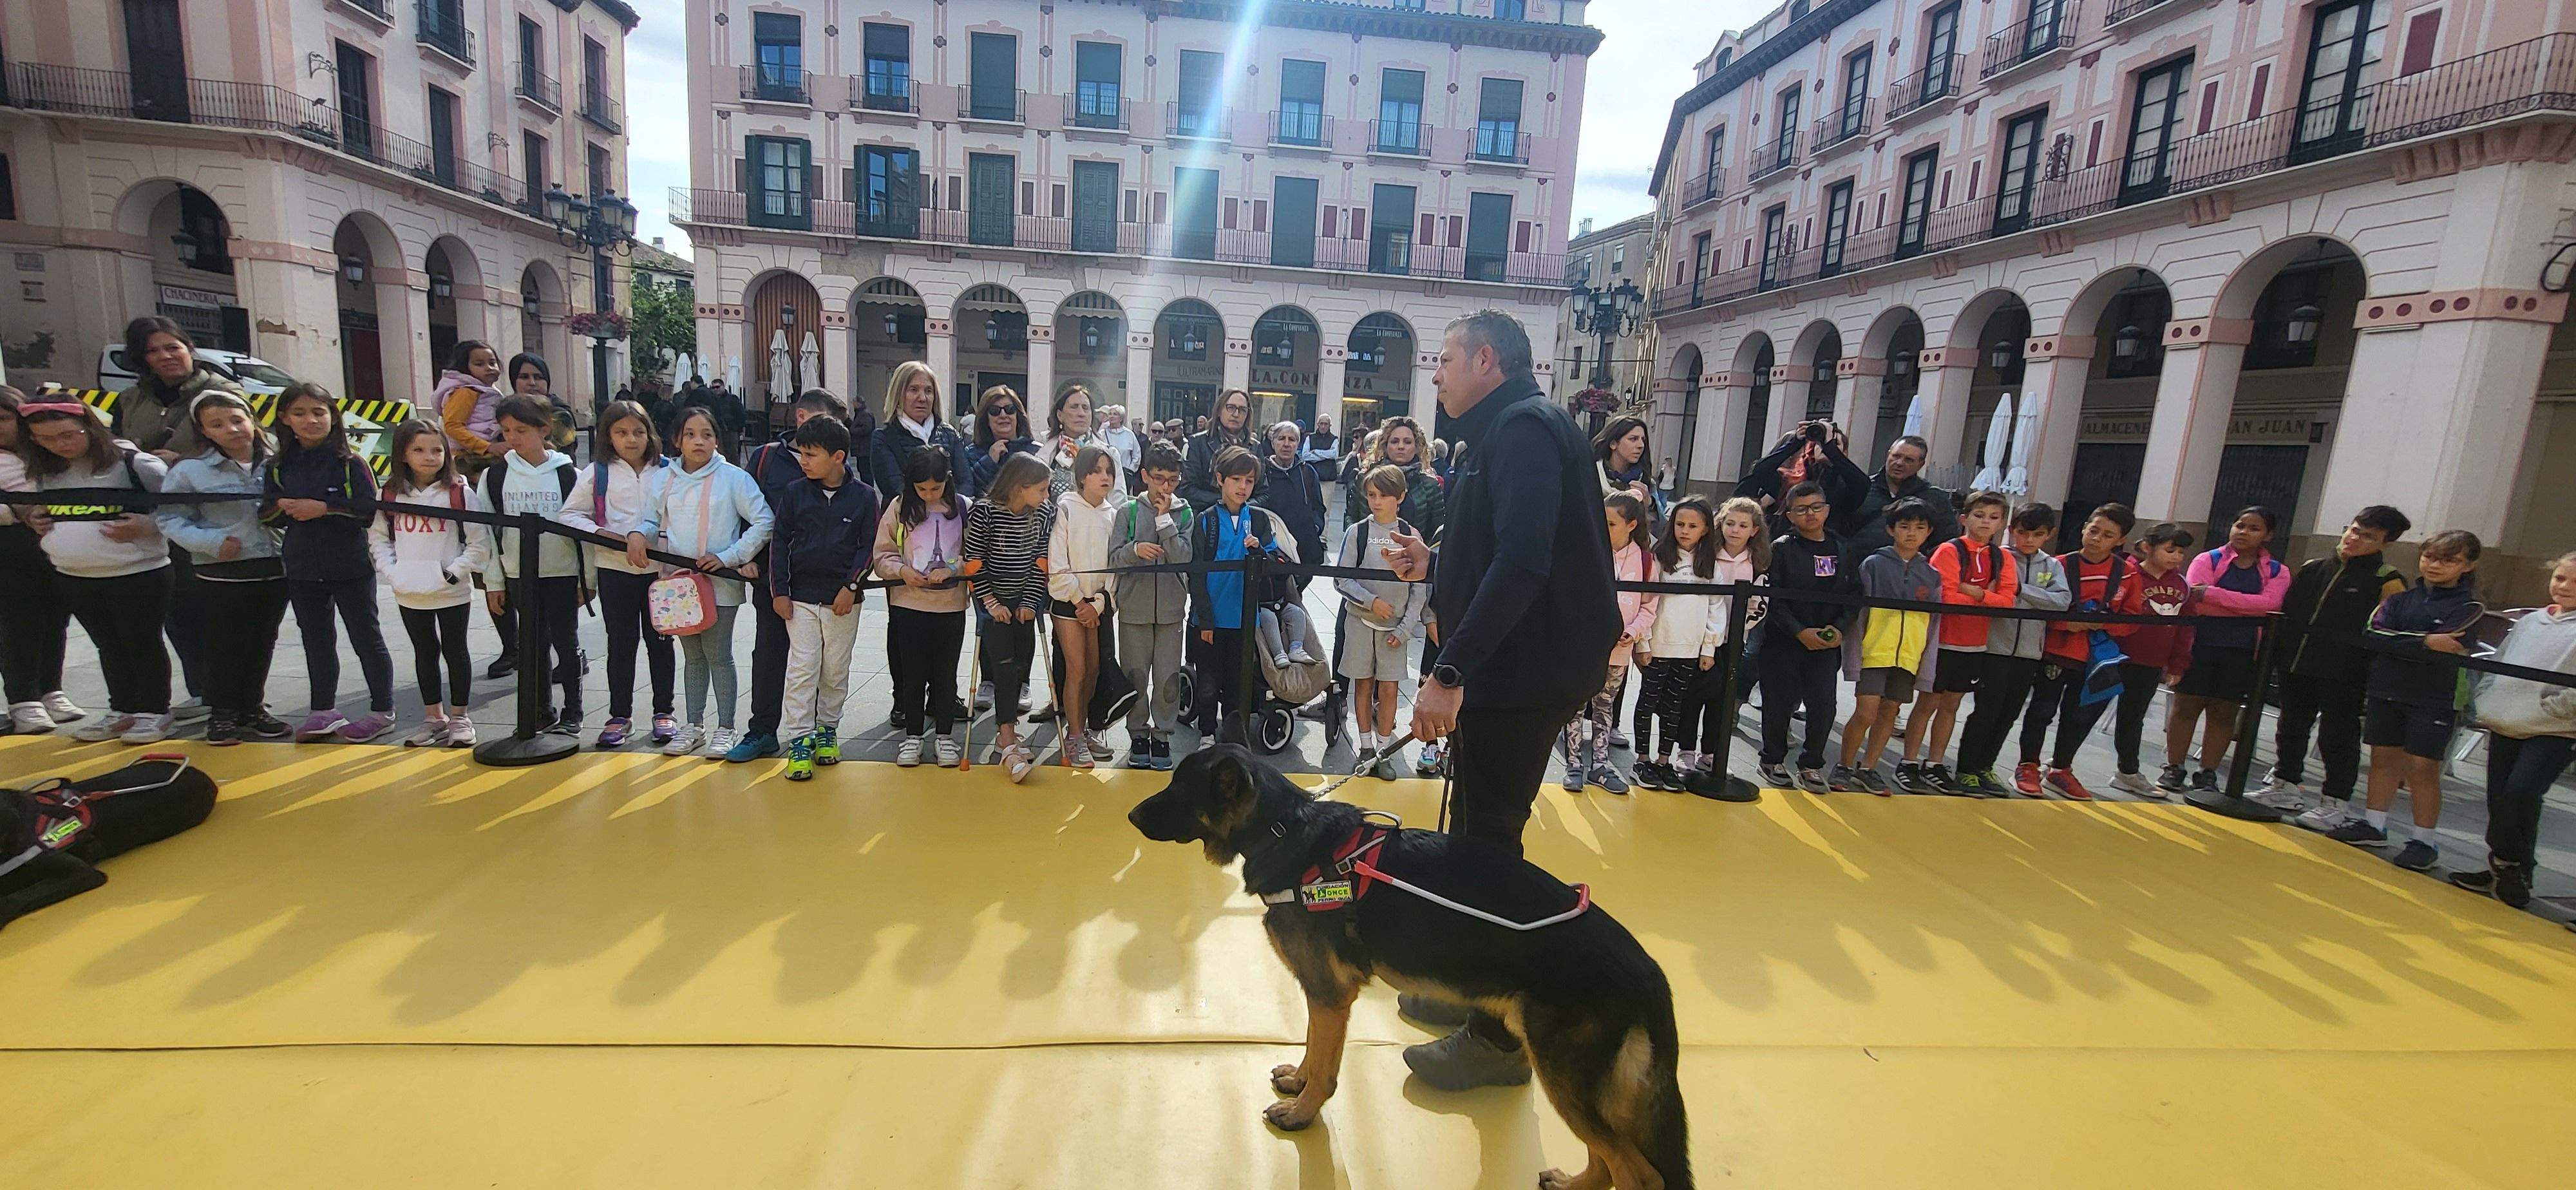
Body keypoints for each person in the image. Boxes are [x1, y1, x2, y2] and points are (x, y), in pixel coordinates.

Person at [1382, 309, 1617, 1093]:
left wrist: (1449, 673)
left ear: (1487, 359)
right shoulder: (1511, 429)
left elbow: (1523, 565)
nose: (1436, 373)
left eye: (1445, 359)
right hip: (1518, 665)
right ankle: (1468, 988)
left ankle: (1498, 1040)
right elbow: (1506, 546)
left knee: (1488, 847)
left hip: (1525, 671)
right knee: (1472, 836)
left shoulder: (1521, 429)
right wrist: (1436, 561)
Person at [2312, 530, 2482, 870]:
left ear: (2468, 566)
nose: (2435, 565)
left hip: (2434, 696)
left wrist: (2404, 642)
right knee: (2382, 758)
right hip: (2387, 688)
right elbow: (2373, 635)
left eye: (2449, 560)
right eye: (2430, 557)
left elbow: (2450, 644)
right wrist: (2424, 642)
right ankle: (2374, 825)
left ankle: (2424, 841)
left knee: (2422, 767)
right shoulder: (2400, 599)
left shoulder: (2470, 607)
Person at [113, 316, 244, 723]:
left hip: (209, 518)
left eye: (173, 347)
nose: (166, 356)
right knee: (176, 612)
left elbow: (248, 445)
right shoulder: (131, 399)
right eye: (153, 351)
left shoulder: (221, 392)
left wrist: (182, 460)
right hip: (150, 514)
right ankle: (201, 689)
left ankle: (231, 695)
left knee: (214, 612)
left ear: (189, 348)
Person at [21, 399, 175, 743]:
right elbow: (43, 507)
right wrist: (35, 517)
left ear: (90, 427)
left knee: (142, 643)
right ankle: (122, 708)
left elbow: (181, 509)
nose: (60, 444)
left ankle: (155, 711)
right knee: (108, 645)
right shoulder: (46, 469)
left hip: (138, 572)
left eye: (68, 434)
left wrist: (149, 525)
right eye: (46, 439)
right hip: (74, 574)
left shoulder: (135, 464)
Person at [2251, 505, 2410, 814]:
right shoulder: (2313, 569)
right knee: (2291, 726)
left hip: (2345, 674)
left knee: (2337, 736)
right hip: (2297, 665)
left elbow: (2387, 631)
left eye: (2368, 536)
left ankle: (2336, 801)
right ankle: (2285, 785)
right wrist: (2276, 657)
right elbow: (2288, 615)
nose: (2354, 539)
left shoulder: (2388, 581)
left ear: (2387, 543)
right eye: (2353, 530)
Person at [264, 384, 398, 743]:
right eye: (300, 413)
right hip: (302, 567)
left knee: (366, 637)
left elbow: (368, 512)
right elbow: (265, 513)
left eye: (319, 412)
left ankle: (382, 710)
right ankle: (323, 710)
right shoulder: (278, 466)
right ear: (285, 419)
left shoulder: (350, 463)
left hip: (349, 565)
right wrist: (283, 508)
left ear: (332, 417)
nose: (311, 420)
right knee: (316, 640)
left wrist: (323, 509)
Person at [159, 391, 291, 746]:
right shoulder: (190, 471)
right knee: (223, 645)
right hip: (222, 572)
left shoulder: (281, 461)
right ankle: (222, 712)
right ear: (203, 431)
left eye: (237, 420)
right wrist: (212, 542)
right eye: (217, 424)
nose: (231, 429)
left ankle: (252, 708)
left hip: (276, 569)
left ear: (251, 420)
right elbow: (170, 519)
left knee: (262, 642)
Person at [645, 405, 774, 759]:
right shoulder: (665, 479)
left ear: (718, 439)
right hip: (678, 585)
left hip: (720, 583)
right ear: (677, 440)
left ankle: (727, 728)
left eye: (707, 434)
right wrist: (638, 536)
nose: (698, 441)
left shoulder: (734, 478)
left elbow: (764, 521)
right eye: (690, 434)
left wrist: (729, 557)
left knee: (718, 654)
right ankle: (694, 725)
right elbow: (650, 520)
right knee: (693, 656)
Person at [2448, 551, 2576, 908]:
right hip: (2507, 721)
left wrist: (2552, 708)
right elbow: (2500, 662)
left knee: (2521, 792)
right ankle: (2509, 868)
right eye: (2560, 578)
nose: (2565, 587)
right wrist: (2489, 699)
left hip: (2555, 729)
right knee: (2501, 797)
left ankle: (2509, 866)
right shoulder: (2530, 621)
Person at [730, 389, 852, 762]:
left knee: (820, 662)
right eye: (822, 422)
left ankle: (816, 732)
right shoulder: (767, 457)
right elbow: (744, 509)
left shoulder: (840, 471)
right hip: (775, 576)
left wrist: (850, 582)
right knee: (770, 652)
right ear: (801, 417)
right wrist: (745, 556)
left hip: (824, 584)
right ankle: (762, 731)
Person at [370, 419, 495, 749]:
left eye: (437, 450)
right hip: (409, 592)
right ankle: (434, 718)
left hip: (452, 591)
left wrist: (454, 572)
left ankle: (460, 718)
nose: (429, 457)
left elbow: (479, 541)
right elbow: (379, 537)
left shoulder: (459, 493)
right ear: (403, 454)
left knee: (456, 651)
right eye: (419, 450)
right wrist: (393, 573)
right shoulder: (390, 493)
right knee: (424, 653)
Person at [768, 414, 878, 782]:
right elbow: (779, 541)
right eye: (801, 453)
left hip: (842, 602)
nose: (803, 461)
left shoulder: (864, 497)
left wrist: (851, 587)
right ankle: (799, 740)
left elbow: (869, 547)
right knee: (803, 668)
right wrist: (780, 592)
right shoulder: (795, 493)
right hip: (800, 598)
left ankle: (827, 730)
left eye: (811, 454)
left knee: (835, 669)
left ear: (838, 457)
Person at [562, 401, 674, 749]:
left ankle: (664, 711)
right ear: (608, 436)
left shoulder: (668, 470)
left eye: (639, 432)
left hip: (660, 573)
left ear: (650, 434)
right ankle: (619, 715)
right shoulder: (597, 472)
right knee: (621, 644)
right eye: (621, 432)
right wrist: (605, 535)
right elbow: (569, 515)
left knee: (661, 642)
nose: (631, 439)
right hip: (615, 570)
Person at [2014, 503, 2146, 798]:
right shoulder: (2057, 565)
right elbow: (2038, 605)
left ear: (2121, 540)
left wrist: (2102, 624)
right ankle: (2028, 765)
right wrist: (2065, 623)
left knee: (2080, 716)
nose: (2097, 539)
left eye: (2108, 535)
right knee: (2041, 710)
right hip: (2056, 651)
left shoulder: (2127, 574)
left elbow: (2132, 619)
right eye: (2094, 530)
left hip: (2097, 658)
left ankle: (2061, 768)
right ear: (2084, 528)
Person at [480, 394, 591, 737]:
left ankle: (573, 711)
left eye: (521, 430)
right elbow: (487, 533)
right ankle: (541, 711)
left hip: (561, 573)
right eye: (506, 430)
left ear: (544, 430)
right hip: (518, 574)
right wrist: (494, 582)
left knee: (566, 642)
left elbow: (585, 532)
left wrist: (587, 580)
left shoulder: (569, 475)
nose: (513, 437)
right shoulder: (495, 476)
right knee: (532, 645)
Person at [2160, 506, 2289, 794]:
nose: (2243, 532)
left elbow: (2270, 605)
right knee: (2185, 707)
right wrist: (2245, 606)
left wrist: (2213, 594)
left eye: (2254, 528)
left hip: (2242, 652)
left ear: (2268, 535)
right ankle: (2174, 767)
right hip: (2199, 645)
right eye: (2240, 525)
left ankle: (2207, 773)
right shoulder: (2208, 559)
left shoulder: (2278, 571)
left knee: (2224, 713)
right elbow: (2195, 599)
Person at [1903, 491, 2020, 793]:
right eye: (1979, 515)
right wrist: (1984, 595)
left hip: (1975, 644)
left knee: (1952, 705)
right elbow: (1944, 595)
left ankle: (1935, 763)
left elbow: (2007, 601)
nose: (1986, 522)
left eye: (1994, 518)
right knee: (1928, 702)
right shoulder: (1949, 550)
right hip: (1942, 641)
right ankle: (1909, 761)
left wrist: (1974, 592)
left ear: (2002, 524)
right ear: (1964, 519)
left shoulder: (2003, 557)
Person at [1952, 503, 2070, 795]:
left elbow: (2061, 602)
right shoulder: (1998, 557)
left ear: (2049, 535)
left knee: (2009, 713)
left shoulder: (2052, 566)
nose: (2028, 540)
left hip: (2029, 652)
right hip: (1994, 648)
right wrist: (2020, 596)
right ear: (2011, 530)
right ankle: (1966, 769)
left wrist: (2020, 591)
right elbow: (1989, 593)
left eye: (2037, 534)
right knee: (1986, 711)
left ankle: (1985, 767)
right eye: (2022, 533)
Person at [1186, 446, 1297, 741]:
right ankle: (1207, 734)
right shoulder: (1206, 520)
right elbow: (1196, 574)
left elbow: (1275, 564)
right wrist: (1205, 619)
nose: (1243, 487)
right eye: (1236, 479)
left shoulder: (1259, 520)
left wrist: (1259, 551)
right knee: (1208, 683)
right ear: (1220, 479)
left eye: (1249, 481)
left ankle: (1234, 736)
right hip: (1210, 620)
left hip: (1246, 620)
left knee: (1238, 683)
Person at [1756, 480, 1857, 790]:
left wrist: (1839, 629)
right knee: (1779, 703)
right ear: (1790, 515)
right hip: (1784, 641)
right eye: (1801, 510)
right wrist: (1798, 631)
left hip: (1826, 642)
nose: (1810, 514)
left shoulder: (1843, 548)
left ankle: (1811, 764)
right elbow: (1773, 597)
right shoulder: (1782, 548)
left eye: (1816, 507)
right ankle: (1772, 759)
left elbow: (1854, 595)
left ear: (1827, 510)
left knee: (1823, 705)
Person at [1834, 498, 1939, 794]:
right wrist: (1853, 656)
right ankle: (1844, 765)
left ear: (1929, 532)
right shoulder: (1873, 565)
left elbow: (1934, 624)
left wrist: (1925, 663)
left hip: (1909, 656)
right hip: (1874, 652)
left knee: (1890, 711)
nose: (1912, 533)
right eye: (1904, 526)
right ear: (1891, 530)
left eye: (1920, 527)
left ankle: (1868, 768)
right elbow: (1859, 614)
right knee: (1866, 712)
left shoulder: (1931, 575)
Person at [963, 452, 1056, 784]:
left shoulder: (1043, 512)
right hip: (993, 598)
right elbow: (974, 561)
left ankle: (1010, 729)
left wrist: (1030, 601)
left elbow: (1041, 559)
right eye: (1042, 489)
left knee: (1021, 663)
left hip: (1024, 597)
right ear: (1020, 487)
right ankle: (1006, 737)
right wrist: (991, 603)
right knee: (1003, 665)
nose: (1047, 496)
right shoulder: (985, 511)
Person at [876, 442, 969, 769]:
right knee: (912, 674)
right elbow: (882, 553)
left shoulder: (963, 507)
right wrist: (902, 571)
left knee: (946, 674)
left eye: (936, 488)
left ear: (948, 479)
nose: (929, 495)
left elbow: (974, 554)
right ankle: (913, 735)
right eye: (922, 489)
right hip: (908, 603)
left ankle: (944, 735)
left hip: (950, 605)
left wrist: (954, 569)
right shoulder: (900, 507)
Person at [0, 388, 87, 735]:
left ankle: (51, 691)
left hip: (52, 548)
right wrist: (14, 513)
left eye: (3, 418)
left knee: (55, 620)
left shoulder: (45, 454)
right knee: (19, 625)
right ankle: (23, 700)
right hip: (10, 552)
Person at [1335, 464, 1429, 780]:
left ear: (1400, 497)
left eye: (1384, 495)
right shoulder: (1357, 532)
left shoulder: (1411, 536)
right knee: (1363, 684)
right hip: (1360, 622)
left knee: (1389, 690)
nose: (1377, 501)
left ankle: (1383, 751)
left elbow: (1419, 589)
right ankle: (1365, 747)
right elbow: (1342, 579)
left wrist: (1405, 629)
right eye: (1372, 495)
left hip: (1395, 630)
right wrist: (1370, 601)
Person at [1110, 442, 1194, 771]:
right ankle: (1137, 734)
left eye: (1172, 480)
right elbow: (1113, 560)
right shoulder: (1128, 512)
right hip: (1134, 609)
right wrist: (1135, 551)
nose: (1165, 487)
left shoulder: (1185, 513)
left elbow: (1184, 558)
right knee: (1135, 675)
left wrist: (1165, 521)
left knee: (1167, 677)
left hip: (1171, 610)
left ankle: (1162, 735)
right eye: (1159, 479)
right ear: (1145, 476)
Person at [1564, 490, 1654, 795]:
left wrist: (1633, 632)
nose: (1604, 528)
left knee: (1605, 707)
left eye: (1612, 523)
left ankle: (1600, 765)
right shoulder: (1586, 555)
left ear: (1632, 525)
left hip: (1619, 650)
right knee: (1576, 706)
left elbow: (1649, 606)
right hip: (1584, 649)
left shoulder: (1645, 560)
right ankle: (1573, 764)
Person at [1678, 496, 1768, 798]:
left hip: (1733, 640)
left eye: (1743, 525)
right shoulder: (1709, 556)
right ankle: (1686, 751)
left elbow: (1760, 604)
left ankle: (1710, 753)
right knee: (1693, 696)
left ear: (1754, 530)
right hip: (1703, 638)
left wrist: (1739, 627)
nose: (1735, 530)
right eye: (1730, 523)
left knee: (1722, 699)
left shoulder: (1757, 563)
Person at [1631, 496, 1723, 791]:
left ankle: (1663, 761)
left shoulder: (1710, 565)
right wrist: (1643, 643)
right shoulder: (1659, 558)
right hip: (1659, 646)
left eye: (1693, 526)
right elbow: (1646, 602)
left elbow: (1716, 607)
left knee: (1675, 707)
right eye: (1680, 524)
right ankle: (1642, 760)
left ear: (1706, 529)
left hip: (1690, 650)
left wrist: (1708, 648)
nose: (1685, 531)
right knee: (1648, 703)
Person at [2108, 524, 2195, 797]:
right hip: (2114, 656)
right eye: (2170, 550)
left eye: (2181, 553)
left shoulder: (2182, 585)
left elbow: (2185, 629)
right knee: (2084, 713)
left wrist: (2178, 664)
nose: (2176, 557)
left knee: (2133, 719)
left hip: (2150, 663)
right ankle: (2060, 765)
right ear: (2147, 547)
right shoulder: (2126, 574)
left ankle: (2128, 772)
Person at [1735, 420, 1866, 534]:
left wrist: (1831, 449)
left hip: (1826, 545)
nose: (1824, 447)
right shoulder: (1792, 480)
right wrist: (1795, 443)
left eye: (1836, 443)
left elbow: (1862, 485)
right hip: (1788, 544)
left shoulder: (1845, 483)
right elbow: (1760, 471)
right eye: (1819, 444)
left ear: (1844, 452)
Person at [869, 361, 973, 502]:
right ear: (898, 394)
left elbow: (966, 482)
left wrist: (949, 509)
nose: (922, 398)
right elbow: (894, 489)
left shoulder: (950, 434)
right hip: (904, 514)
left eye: (928, 391)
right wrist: (932, 508)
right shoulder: (884, 438)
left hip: (950, 514)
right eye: (914, 390)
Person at [1844, 435, 1963, 557]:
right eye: (1896, 456)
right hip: (1856, 564)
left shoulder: (1934, 497)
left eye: (1909, 460)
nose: (1899, 463)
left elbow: (1945, 543)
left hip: (1910, 566)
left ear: (1921, 464)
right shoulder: (1862, 488)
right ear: (1888, 455)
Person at [1258, 420, 1327, 597]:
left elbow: (1318, 507)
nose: (1287, 444)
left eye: (1292, 439)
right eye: (1281, 439)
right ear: (1273, 442)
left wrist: (1315, 528)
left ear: (1298, 443)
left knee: (1297, 596)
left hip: (1304, 548)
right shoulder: (1261, 471)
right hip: (1273, 548)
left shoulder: (1308, 472)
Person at [1180, 388, 1260, 511]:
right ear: (1219, 410)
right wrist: (1227, 501)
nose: (1236, 414)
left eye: (1242, 410)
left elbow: (1263, 494)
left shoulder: (1255, 447)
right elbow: (1188, 490)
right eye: (1231, 408)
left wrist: (1241, 506)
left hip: (1245, 516)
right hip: (1206, 514)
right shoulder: (1198, 443)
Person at [437, 341, 509, 476]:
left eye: (492, 363)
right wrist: (488, 447)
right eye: (479, 364)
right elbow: (452, 427)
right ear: (465, 368)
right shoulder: (466, 392)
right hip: (468, 457)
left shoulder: (488, 390)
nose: (489, 368)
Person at [966, 385, 1041, 495]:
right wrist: (989, 461)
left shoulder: (1037, 451)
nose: (1003, 415)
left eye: (1010, 410)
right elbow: (967, 490)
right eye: (994, 411)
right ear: (986, 419)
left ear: (1018, 416)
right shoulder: (971, 453)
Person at [1594, 415, 1658, 513]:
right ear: (1613, 444)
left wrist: (1650, 504)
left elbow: (1663, 521)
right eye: (1633, 439)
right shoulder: (1592, 476)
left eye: (1643, 440)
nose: (1641, 445)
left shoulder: (1646, 482)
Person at [1099, 403, 1142, 490]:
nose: (1112, 416)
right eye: (1110, 414)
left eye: (1115, 414)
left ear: (1121, 418)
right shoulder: (1102, 434)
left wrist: (1130, 470)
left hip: (1125, 475)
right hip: (1107, 473)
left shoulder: (1129, 434)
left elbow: (1137, 454)